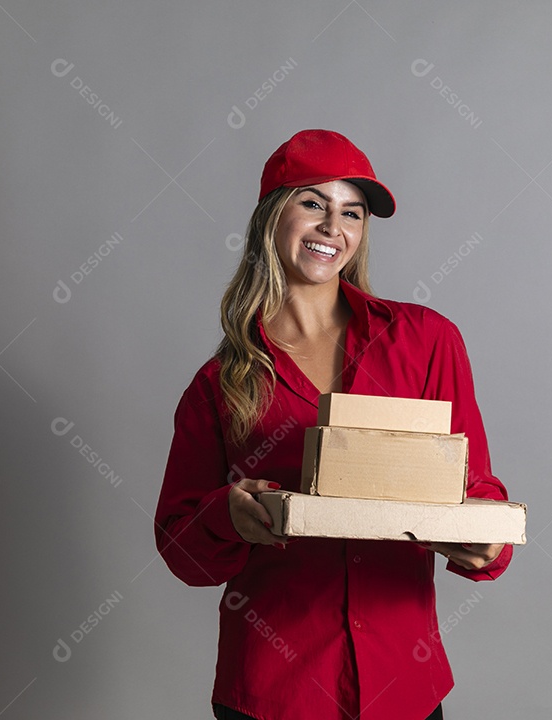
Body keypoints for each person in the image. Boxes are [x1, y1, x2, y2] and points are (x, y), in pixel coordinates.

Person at [153, 129, 514, 720]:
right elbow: (180, 548)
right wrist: (229, 514)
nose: (333, 227)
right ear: (273, 216)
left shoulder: (426, 341)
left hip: (404, 685)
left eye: (353, 213)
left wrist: (488, 541)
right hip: (277, 691)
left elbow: (475, 485)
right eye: (313, 203)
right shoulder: (218, 385)